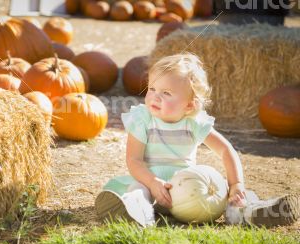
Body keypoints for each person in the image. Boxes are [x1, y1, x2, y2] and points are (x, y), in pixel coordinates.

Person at [95, 53, 299, 227]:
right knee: (137, 190)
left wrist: (236, 184)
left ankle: (250, 212)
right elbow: (134, 160)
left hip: (190, 191)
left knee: (228, 195)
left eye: (166, 93)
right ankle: (138, 213)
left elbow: (225, 150)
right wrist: (152, 182)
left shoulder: (193, 123)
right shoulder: (143, 119)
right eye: (152, 89)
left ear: (189, 106)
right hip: (152, 187)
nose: (155, 97)